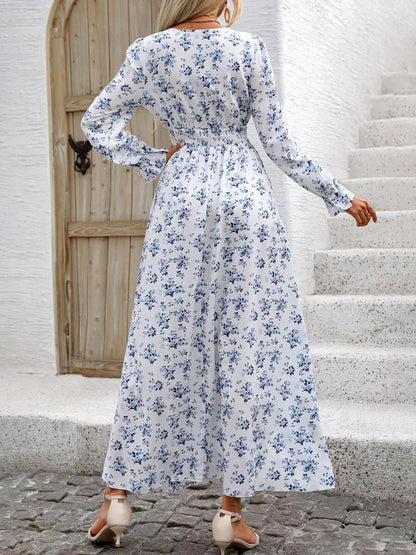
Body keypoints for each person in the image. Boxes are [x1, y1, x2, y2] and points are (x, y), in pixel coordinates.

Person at [80, 0, 377, 551]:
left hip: (182, 199)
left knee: (160, 341)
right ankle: (229, 513)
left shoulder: (148, 52)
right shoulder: (247, 49)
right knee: (248, 348)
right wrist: (338, 195)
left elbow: (97, 122)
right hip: (244, 201)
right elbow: (279, 144)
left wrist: (154, 160)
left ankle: (115, 499)